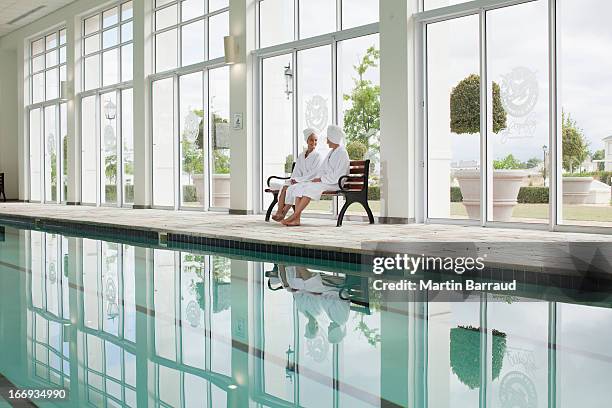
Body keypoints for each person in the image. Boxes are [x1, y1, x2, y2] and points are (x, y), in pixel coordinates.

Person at [281, 124, 350, 226]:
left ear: (333, 138)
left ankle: (294, 216)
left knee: (309, 189)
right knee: (300, 186)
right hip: (326, 181)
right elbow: (323, 169)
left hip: (335, 183)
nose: (326, 141)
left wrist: (322, 179)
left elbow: (340, 174)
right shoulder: (332, 152)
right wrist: (318, 178)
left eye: (328, 139)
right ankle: (297, 220)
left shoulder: (342, 153)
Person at [271, 128, 324, 221]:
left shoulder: (318, 156)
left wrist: (298, 180)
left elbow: (314, 173)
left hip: (310, 181)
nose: (314, 142)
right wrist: (293, 179)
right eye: (311, 140)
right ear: (307, 141)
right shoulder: (301, 155)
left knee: (293, 188)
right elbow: (297, 170)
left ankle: (283, 214)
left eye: (316, 140)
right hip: (300, 180)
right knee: (285, 186)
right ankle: (279, 212)